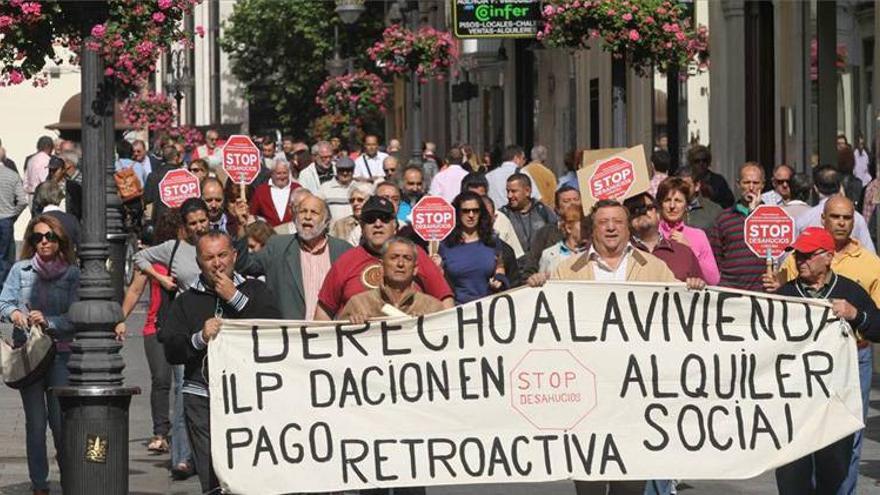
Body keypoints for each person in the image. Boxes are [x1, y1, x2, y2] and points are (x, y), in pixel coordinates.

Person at [771, 197, 880, 494]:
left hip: (838, 387)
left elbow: (878, 326)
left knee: (837, 454)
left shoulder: (850, 291)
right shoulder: (786, 294)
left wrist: (856, 315)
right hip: (796, 392)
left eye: (807, 255)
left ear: (827, 257)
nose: (800, 261)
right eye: (797, 255)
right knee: (794, 461)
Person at [163, 231, 280, 494]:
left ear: (235, 256)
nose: (217, 263)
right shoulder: (186, 300)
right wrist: (200, 338)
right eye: (209, 257)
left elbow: (272, 328)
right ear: (199, 262)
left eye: (222, 255)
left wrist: (234, 298)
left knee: (247, 471)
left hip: (248, 397)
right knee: (212, 472)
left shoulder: (255, 290)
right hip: (202, 396)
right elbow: (172, 349)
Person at [0, 215, 79, 495]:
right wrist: (16, 314)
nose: (43, 241)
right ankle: (39, 484)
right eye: (37, 237)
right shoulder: (21, 271)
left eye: (49, 237)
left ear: (60, 241)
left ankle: (69, 476)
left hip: (60, 353)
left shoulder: (72, 274)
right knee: (35, 423)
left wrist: (49, 321)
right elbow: (4, 303)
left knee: (60, 423)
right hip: (30, 356)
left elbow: (76, 316)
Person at [113, 209, 193, 476]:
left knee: (181, 386)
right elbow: (135, 289)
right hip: (154, 327)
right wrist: (121, 318)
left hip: (181, 328)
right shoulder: (156, 260)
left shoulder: (189, 258)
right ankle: (161, 432)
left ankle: (182, 437)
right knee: (161, 379)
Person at [316, 196, 454, 319]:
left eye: (385, 218)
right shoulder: (346, 261)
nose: (377, 224)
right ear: (362, 227)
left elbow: (445, 302)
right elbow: (323, 315)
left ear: (395, 225)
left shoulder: (414, 254)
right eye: (370, 219)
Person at [237, 195, 350, 319]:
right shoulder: (277, 246)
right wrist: (241, 227)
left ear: (326, 221)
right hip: (290, 334)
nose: (307, 216)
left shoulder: (344, 251)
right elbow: (244, 265)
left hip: (330, 334)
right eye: (303, 211)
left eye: (314, 212)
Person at [339, 237, 444, 323]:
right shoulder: (359, 304)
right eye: (394, 257)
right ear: (381, 267)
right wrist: (351, 323)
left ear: (415, 269)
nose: (400, 264)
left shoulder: (432, 308)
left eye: (407, 258)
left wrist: (427, 326)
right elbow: (337, 340)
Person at [435, 192, 508, 304]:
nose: (471, 215)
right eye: (465, 211)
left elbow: (500, 267)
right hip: (458, 309)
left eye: (475, 210)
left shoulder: (492, 241)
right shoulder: (446, 245)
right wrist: (437, 268)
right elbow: (440, 282)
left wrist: (499, 280)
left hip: (489, 306)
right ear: (457, 213)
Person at [708, 162, 769, 291]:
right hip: (731, 291)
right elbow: (715, 258)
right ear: (738, 184)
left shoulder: (773, 217)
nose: (751, 187)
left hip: (762, 292)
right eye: (746, 183)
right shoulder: (723, 218)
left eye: (756, 183)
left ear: (763, 185)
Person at [625, 192, 705, 285]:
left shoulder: (684, 252)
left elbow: (702, 290)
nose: (641, 212)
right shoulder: (621, 255)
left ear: (658, 214)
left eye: (647, 208)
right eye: (633, 210)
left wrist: (697, 284)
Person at [796, 164, 875, 252]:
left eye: (846, 218)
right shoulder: (857, 218)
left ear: (815, 188)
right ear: (840, 186)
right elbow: (870, 252)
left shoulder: (804, 219)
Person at [656, 177, 720, 285]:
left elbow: (713, 279)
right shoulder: (653, 233)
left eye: (678, 201)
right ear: (660, 204)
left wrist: (690, 250)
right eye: (667, 200)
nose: (672, 206)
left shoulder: (698, 236)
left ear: (686, 205)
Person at [521, 186, 581, 279]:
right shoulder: (545, 233)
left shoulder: (592, 230)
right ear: (557, 208)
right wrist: (534, 278)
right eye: (566, 201)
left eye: (576, 199)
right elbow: (530, 268)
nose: (572, 204)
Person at [462, 172, 525, 259]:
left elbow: (517, 257)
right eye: (473, 197)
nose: (478, 203)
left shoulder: (501, 220)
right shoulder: (453, 220)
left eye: (481, 197)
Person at [499, 173, 557, 263]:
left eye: (514, 191)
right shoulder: (503, 214)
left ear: (527, 191)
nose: (509, 196)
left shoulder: (543, 211)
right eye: (508, 191)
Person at [534, 204, 587, 276]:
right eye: (584, 227)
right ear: (569, 228)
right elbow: (543, 282)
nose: (589, 230)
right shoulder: (549, 254)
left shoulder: (593, 252)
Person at [0, 154, 26, 283]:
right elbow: (22, 201)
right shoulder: (12, 175)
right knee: (5, 257)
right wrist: (13, 215)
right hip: (6, 219)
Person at [249, 159, 299, 227]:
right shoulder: (261, 191)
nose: (282, 176)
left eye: (285, 173)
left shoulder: (297, 189)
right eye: (278, 173)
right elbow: (253, 213)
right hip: (269, 234)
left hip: (293, 233)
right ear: (272, 174)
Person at [675, 165, 723, 232]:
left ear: (697, 186)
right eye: (678, 185)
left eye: (686, 186)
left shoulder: (714, 211)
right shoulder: (670, 208)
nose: (681, 189)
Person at [34, 181, 80, 248]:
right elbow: (80, 246)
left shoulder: (36, 221)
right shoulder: (72, 220)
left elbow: (29, 251)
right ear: (59, 196)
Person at [317, 156, 356, 222]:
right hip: (332, 230)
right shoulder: (325, 188)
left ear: (353, 171)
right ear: (336, 170)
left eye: (348, 170)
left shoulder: (359, 187)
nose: (345, 173)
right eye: (342, 170)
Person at [522, 144, 557, 209]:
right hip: (546, 210)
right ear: (545, 157)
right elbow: (553, 196)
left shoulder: (523, 171)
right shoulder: (549, 174)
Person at [23, 136, 54, 201]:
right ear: (50, 147)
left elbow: (25, 180)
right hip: (42, 197)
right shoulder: (46, 160)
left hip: (31, 196)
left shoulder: (31, 159)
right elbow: (45, 181)